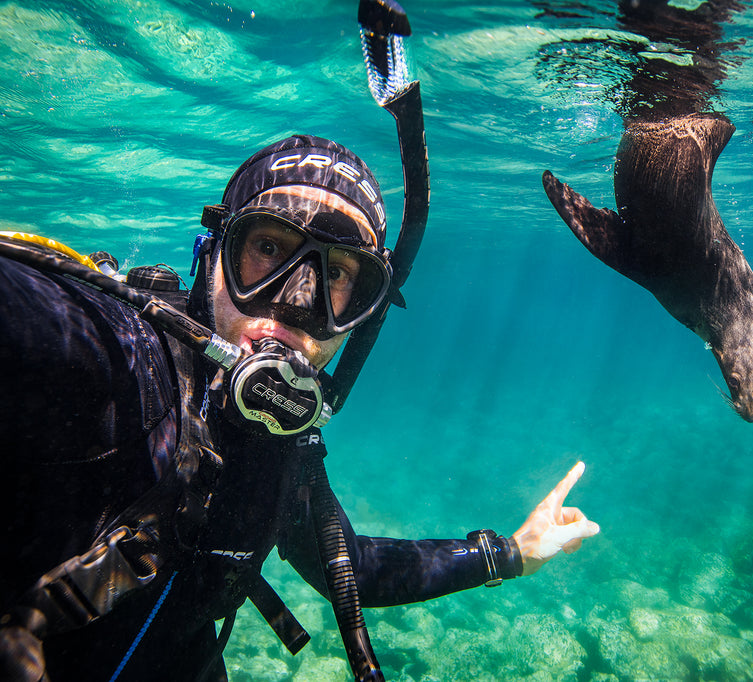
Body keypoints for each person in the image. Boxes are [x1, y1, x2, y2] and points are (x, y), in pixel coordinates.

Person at [0, 134, 600, 681]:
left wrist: (512, 553)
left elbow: (352, 567)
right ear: (212, 258)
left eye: (338, 275)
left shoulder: (282, 447)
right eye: (268, 247)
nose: (298, 301)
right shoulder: (115, 356)